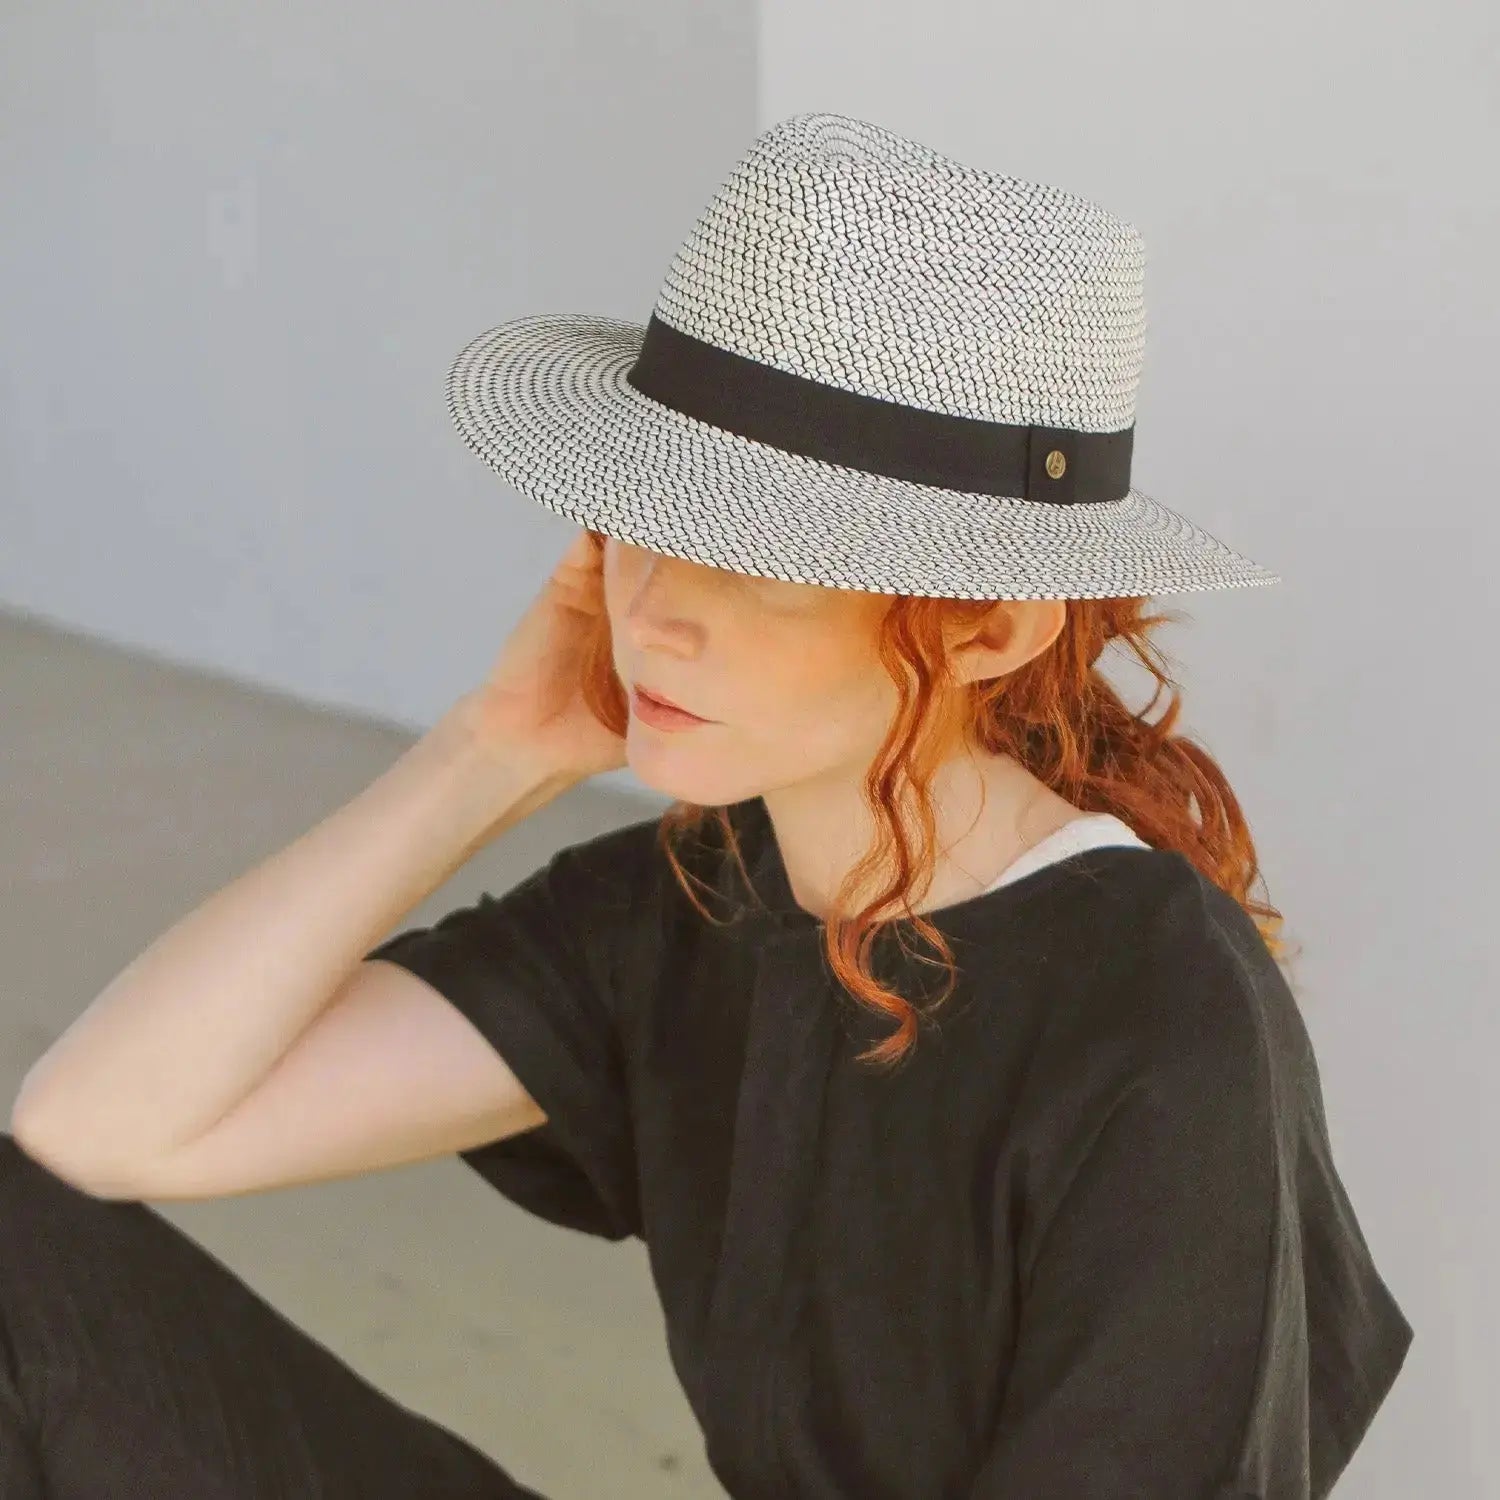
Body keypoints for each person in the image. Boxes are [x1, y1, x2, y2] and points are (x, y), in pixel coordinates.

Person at [3, 111, 1413, 1498]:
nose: (657, 616)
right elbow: (99, 1131)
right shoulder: (693, 898)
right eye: (647, 519)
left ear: (988, 626)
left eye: (760, 558)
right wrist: (494, 749)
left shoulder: (1162, 1022)